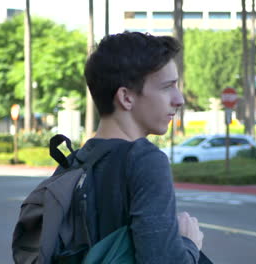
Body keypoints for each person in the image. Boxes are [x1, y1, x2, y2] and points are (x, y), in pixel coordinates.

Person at [77, 31, 204, 263]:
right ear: (126, 97)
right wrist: (189, 243)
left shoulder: (76, 161)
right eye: (167, 87)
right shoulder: (145, 160)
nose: (179, 99)